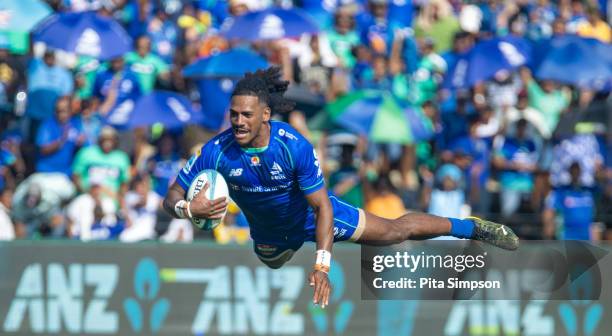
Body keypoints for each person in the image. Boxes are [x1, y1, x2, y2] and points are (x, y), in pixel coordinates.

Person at [163, 67, 519, 309]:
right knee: (271, 263)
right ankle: (281, 249)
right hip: (269, 235)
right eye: (234, 114)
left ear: (266, 115)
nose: (238, 121)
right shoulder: (215, 151)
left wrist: (321, 265)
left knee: (396, 231)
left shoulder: (292, 146)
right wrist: (188, 210)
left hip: (312, 218)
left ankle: (471, 226)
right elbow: (172, 197)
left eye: (247, 115)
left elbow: (323, 208)